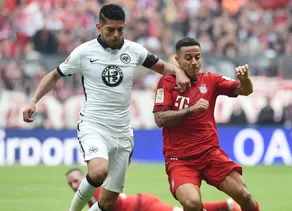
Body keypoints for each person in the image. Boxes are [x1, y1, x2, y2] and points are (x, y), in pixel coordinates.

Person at [22, 4, 190, 211]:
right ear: (99, 28)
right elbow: (55, 75)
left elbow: (163, 67)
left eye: (120, 29)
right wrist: (33, 101)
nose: (116, 34)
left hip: (122, 132)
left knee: (108, 203)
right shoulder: (84, 52)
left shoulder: (134, 50)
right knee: (98, 171)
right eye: (110, 29)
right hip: (94, 126)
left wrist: (178, 72)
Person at [153, 37, 260, 211]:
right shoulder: (167, 83)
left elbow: (245, 90)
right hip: (180, 160)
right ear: (177, 60)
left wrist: (245, 79)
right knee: (192, 204)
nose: (194, 62)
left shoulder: (211, 80)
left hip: (210, 155)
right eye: (188, 58)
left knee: (245, 196)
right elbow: (160, 118)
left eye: (198, 57)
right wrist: (191, 109)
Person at [65, 168, 243, 211]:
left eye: (76, 181)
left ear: (84, 178)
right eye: (70, 183)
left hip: (143, 206)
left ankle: (228, 205)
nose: (74, 186)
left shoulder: (95, 192)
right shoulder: (88, 197)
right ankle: (227, 205)